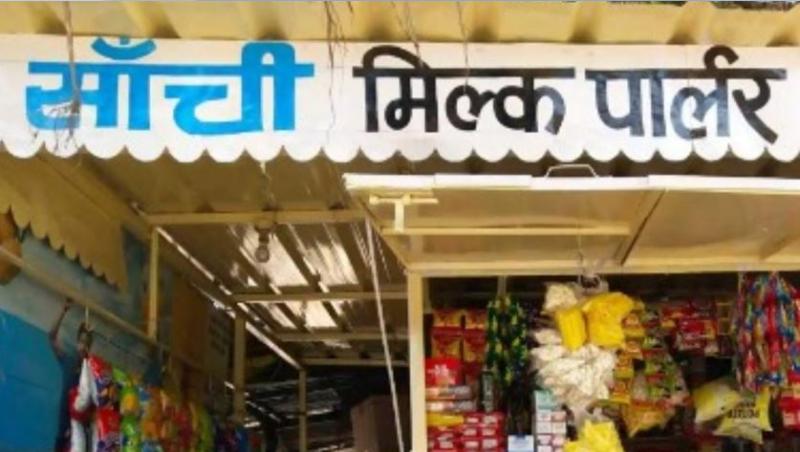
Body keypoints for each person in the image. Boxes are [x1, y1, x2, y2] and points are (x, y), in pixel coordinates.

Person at [50, 298, 93, 451]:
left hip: (79, 433)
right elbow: (51, 336)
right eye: (81, 341)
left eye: (87, 344)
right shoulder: (67, 360)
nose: (83, 346)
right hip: (63, 430)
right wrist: (64, 310)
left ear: (89, 347)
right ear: (77, 342)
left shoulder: (90, 370)